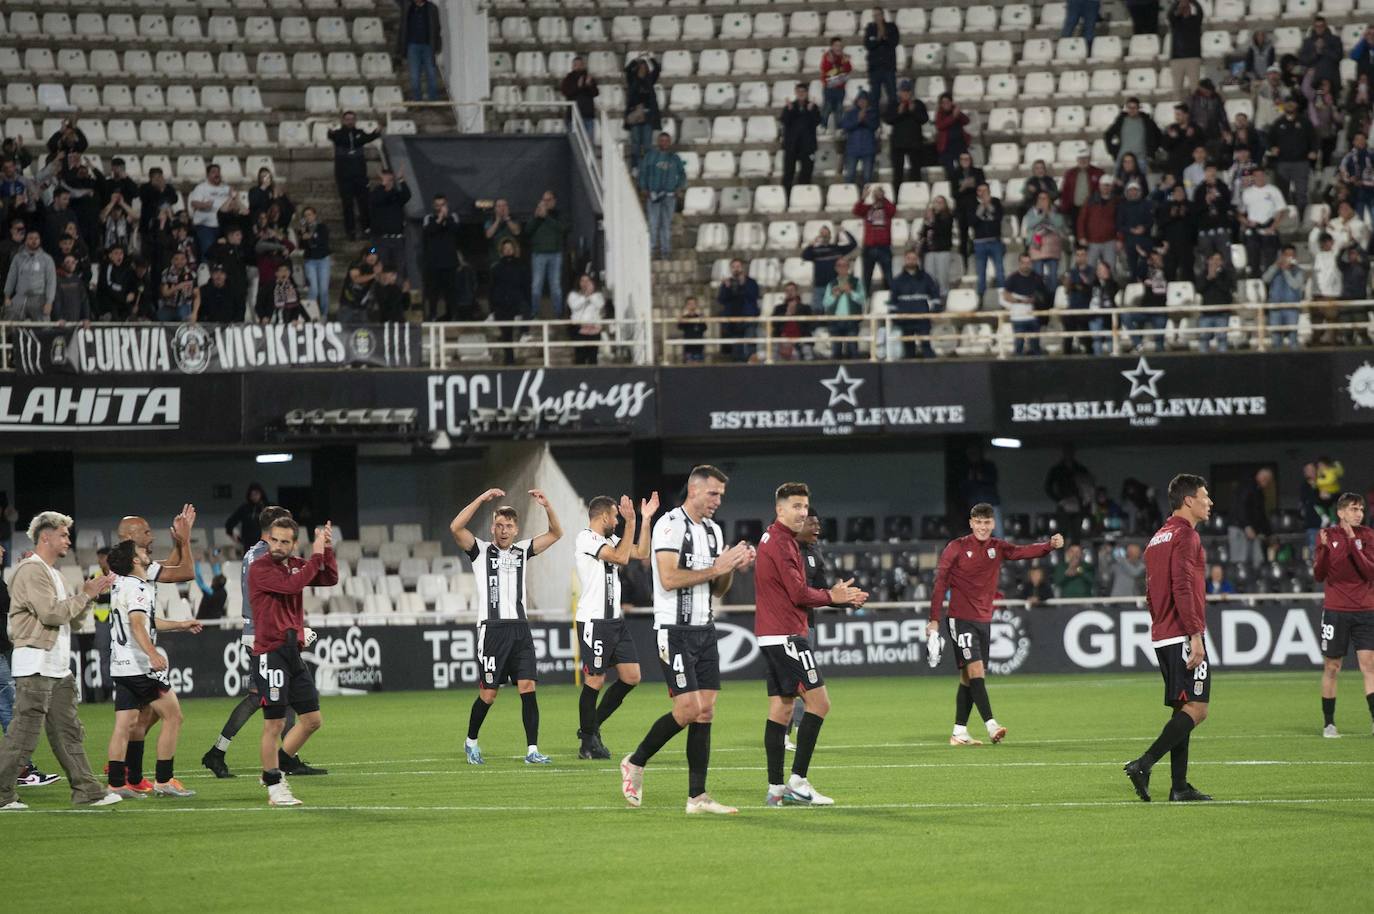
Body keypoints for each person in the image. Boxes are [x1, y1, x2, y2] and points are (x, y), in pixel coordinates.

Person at [619, 465, 755, 814]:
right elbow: (667, 578)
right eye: (713, 494)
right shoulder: (669, 525)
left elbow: (717, 587)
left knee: (706, 712)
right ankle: (635, 761)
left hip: (704, 630)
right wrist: (716, 566)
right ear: (694, 490)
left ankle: (697, 797)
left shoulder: (712, 530)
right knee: (688, 709)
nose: (718, 502)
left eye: (721, 496)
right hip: (674, 631)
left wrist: (731, 566)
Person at [0, 511, 120, 811]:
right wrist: (86, 595)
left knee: (68, 732)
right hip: (36, 663)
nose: (68, 539)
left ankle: (87, 791)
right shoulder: (31, 571)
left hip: (56, 666)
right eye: (63, 534)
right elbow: (51, 613)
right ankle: (2, 794)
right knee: (23, 734)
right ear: (46, 537)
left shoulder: (55, 574)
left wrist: (89, 597)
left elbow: (72, 621)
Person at [756, 483, 868, 807]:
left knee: (782, 709)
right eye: (796, 506)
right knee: (820, 704)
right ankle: (798, 782)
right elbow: (798, 594)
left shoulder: (775, 539)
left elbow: (796, 591)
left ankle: (776, 790)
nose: (803, 512)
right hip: (788, 636)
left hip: (773, 635)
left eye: (805, 506)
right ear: (780, 509)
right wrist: (833, 597)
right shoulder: (781, 544)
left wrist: (837, 598)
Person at [928, 504, 1064, 746]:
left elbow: (1023, 552)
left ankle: (959, 732)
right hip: (960, 619)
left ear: (992, 524)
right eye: (978, 522)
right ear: (971, 523)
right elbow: (940, 584)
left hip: (984, 619)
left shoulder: (997, 547)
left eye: (987, 523)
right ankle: (991, 725)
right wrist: (934, 620)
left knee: (968, 678)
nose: (982, 527)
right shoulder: (956, 547)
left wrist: (1049, 546)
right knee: (976, 671)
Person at [202, 506, 321, 780]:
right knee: (265, 698)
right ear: (272, 529)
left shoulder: (254, 554)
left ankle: (279, 757)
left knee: (274, 696)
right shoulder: (263, 558)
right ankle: (226, 754)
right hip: (264, 635)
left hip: (262, 631)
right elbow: (271, 599)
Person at [450, 488, 563, 767]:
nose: (503, 530)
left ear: (516, 530)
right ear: (492, 528)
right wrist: (480, 499)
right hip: (492, 630)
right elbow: (456, 527)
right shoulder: (479, 551)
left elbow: (556, 533)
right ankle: (471, 742)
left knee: (528, 686)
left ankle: (532, 750)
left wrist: (548, 506)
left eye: (509, 526)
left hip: (520, 629)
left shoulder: (523, 551)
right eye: (499, 525)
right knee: (489, 694)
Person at [1123, 473, 1214, 803]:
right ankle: (1144, 764)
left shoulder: (1157, 537)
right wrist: (1195, 635)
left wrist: (1161, 622)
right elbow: (1182, 586)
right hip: (1181, 634)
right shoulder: (1186, 536)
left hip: (1163, 634)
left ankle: (1179, 787)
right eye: (1205, 496)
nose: (1210, 502)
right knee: (1198, 709)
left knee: (1183, 710)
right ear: (1189, 500)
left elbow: (1150, 593)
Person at [103, 539, 202, 799]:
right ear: (134, 560)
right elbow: (138, 625)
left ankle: (115, 784)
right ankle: (164, 780)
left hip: (121, 666)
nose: (146, 552)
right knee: (174, 717)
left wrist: (180, 624)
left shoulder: (120, 585)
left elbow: (145, 621)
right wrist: (153, 653)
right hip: (141, 667)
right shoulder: (139, 587)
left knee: (124, 725)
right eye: (141, 551)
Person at [250, 517, 338, 807]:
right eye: (274, 539)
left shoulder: (296, 564)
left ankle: (274, 767)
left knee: (312, 720)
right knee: (274, 724)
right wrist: (314, 554)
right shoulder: (260, 568)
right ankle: (275, 787)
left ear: (293, 544)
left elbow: (328, 578)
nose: (277, 545)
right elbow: (292, 586)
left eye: (284, 541)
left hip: (291, 653)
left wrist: (326, 549)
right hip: (270, 652)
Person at [573, 492, 657, 759]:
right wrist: (631, 523)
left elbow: (641, 552)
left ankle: (591, 726)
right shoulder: (586, 538)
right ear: (603, 516)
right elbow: (620, 558)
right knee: (595, 680)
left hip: (614, 622)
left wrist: (644, 521)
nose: (618, 520)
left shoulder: (611, 540)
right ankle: (588, 743)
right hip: (594, 621)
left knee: (632, 676)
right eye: (616, 516)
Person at [1312, 492, 1374, 739]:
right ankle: (1329, 723)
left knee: (1368, 665)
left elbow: (1370, 572)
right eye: (1353, 509)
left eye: (1360, 509)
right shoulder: (1327, 535)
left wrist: (1353, 543)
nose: (1358, 513)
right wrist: (1325, 551)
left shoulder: (1368, 535)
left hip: (1366, 610)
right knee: (1332, 667)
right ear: (1340, 512)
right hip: (1336, 611)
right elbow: (1319, 574)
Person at [328, 113, 382, 241]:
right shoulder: (338, 134)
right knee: (347, 205)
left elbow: (368, 138)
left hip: (360, 176)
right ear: (343, 120)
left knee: (364, 204)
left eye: (352, 119)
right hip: (344, 177)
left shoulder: (360, 133)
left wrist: (377, 131)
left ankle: (366, 229)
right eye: (347, 119)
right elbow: (335, 137)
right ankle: (350, 231)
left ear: (355, 120)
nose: (350, 121)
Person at [638, 132, 686, 260]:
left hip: (669, 196)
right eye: (662, 140)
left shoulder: (675, 158)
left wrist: (679, 188)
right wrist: (643, 188)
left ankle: (666, 252)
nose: (664, 143)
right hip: (653, 195)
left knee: (666, 224)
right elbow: (642, 173)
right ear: (658, 142)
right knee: (653, 223)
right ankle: (652, 250)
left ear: (670, 142)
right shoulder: (650, 156)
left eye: (666, 140)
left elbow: (682, 174)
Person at [889, 248, 942, 359]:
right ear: (905, 260)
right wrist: (895, 317)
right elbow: (892, 301)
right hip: (905, 319)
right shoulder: (897, 280)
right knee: (908, 350)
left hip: (922, 318)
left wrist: (934, 310)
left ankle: (933, 371)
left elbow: (935, 295)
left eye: (914, 258)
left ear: (917, 260)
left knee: (926, 346)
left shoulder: (926, 278)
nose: (911, 261)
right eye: (909, 258)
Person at [421, 194, 463, 321]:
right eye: (437, 205)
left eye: (442, 205)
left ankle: (453, 315)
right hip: (434, 262)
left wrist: (446, 218)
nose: (440, 208)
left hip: (450, 262)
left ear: (447, 205)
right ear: (434, 206)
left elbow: (456, 230)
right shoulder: (429, 218)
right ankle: (433, 314)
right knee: (433, 291)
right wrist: (439, 219)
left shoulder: (453, 217)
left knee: (451, 291)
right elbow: (429, 231)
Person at [368, 167, 412, 284]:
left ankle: (397, 296)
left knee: (400, 268)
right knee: (380, 268)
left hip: (398, 241)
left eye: (391, 180)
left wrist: (401, 180)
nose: (388, 182)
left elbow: (407, 195)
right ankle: (381, 295)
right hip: (379, 240)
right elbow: (371, 247)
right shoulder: (376, 194)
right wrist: (372, 252)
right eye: (386, 179)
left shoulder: (396, 196)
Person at [527, 190, 567, 318]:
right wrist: (536, 217)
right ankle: (534, 312)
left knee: (555, 286)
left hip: (555, 254)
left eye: (549, 200)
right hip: (538, 254)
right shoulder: (537, 216)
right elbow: (527, 231)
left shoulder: (558, 214)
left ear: (554, 201)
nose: (546, 202)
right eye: (544, 200)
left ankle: (558, 313)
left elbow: (563, 229)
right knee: (536, 285)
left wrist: (546, 217)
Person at [1240, 169, 1286, 277]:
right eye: (1256, 176)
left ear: (1265, 176)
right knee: (1253, 260)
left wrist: (1273, 227)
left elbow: (1281, 210)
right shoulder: (1247, 193)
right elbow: (1240, 213)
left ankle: (1269, 285)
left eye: (1261, 175)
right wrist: (1247, 222)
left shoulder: (1273, 190)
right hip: (1253, 229)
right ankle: (1255, 281)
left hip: (1269, 228)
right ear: (1253, 177)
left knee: (1270, 260)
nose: (1259, 178)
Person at [802, 224, 858, 312]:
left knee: (833, 310)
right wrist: (811, 244)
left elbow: (853, 244)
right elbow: (804, 256)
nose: (824, 236)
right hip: (819, 286)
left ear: (830, 236)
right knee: (817, 311)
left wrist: (844, 232)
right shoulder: (815, 250)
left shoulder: (836, 249)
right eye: (822, 234)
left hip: (834, 286)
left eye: (826, 234)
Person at [1001, 253, 1049, 356]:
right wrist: (1021, 301)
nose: (1026, 265)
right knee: (1019, 345)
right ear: (1019, 263)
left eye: (1028, 262)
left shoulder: (1037, 277)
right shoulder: (1012, 278)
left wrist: (1035, 299)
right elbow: (1005, 296)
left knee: (1035, 345)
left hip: (1033, 315)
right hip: (1018, 316)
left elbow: (1043, 295)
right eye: (1024, 263)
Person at [3, 229, 55, 320]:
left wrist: (49, 302)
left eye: (36, 238)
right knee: (9, 323)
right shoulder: (18, 258)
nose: (34, 241)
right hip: (20, 296)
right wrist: (7, 296)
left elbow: (51, 282)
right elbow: (11, 277)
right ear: (26, 240)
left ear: (40, 240)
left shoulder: (47, 259)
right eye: (31, 238)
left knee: (44, 328)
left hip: (39, 298)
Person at [884, 81, 928, 188]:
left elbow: (924, 119)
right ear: (899, 92)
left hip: (914, 143)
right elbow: (888, 119)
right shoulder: (894, 104)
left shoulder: (918, 104)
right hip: (898, 144)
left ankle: (916, 193)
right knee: (898, 173)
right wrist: (898, 112)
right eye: (903, 91)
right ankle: (897, 195)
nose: (905, 94)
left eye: (907, 91)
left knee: (916, 172)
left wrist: (914, 111)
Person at [780, 83, 821, 198]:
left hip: (807, 147)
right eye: (799, 92)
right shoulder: (790, 106)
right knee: (788, 174)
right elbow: (785, 121)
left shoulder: (813, 106)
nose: (801, 94)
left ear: (807, 93)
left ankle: (803, 198)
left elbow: (817, 122)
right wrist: (789, 110)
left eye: (803, 92)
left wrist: (810, 111)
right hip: (791, 146)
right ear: (796, 93)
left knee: (806, 173)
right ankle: (786, 198)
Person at [490, 238, 527, 363]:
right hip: (501, 305)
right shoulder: (496, 268)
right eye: (505, 249)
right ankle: (509, 359)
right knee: (506, 334)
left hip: (516, 304)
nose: (508, 251)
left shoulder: (521, 266)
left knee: (515, 332)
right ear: (501, 251)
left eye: (510, 248)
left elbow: (525, 287)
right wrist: (493, 308)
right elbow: (492, 288)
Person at [1228, 467, 1273, 569]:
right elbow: (1240, 507)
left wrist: (1269, 534)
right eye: (1268, 481)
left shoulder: (1259, 491)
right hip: (1239, 528)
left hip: (1253, 531)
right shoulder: (1247, 486)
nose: (1268, 484)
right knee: (1240, 562)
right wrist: (1247, 526)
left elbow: (1261, 514)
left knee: (1257, 560)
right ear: (1263, 478)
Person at [854, 184, 895, 293]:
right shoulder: (868, 209)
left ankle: (891, 299)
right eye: (875, 194)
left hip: (884, 247)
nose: (877, 196)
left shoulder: (887, 209)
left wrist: (883, 199)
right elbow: (856, 211)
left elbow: (893, 211)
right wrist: (863, 198)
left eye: (879, 193)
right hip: (869, 247)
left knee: (888, 277)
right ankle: (864, 301)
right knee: (866, 278)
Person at [717, 258, 761, 363]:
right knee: (737, 349)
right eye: (733, 267)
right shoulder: (727, 283)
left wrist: (743, 285)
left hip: (748, 319)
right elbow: (722, 300)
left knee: (750, 345)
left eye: (738, 266)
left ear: (743, 268)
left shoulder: (751, 282)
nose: (736, 269)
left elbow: (753, 296)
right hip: (734, 321)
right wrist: (727, 288)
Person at [398, 0, 442, 102]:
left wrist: (437, 46)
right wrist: (401, 47)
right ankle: (417, 101)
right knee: (414, 76)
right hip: (412, 46)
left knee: (431, 74)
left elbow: (437, 28)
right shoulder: (408, 7)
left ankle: (433, 101)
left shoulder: (432, 8)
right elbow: (403, 27)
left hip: (428, 46)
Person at [822, 256, 865, 359]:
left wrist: (850, 292)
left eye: (844, 265)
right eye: (839, 266)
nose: (842, 268)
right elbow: (825, 303)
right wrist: (834, 296)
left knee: (853, 350)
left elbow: (862, 299)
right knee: (836, 350)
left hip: (851, 320)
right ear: (836, 268)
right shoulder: (831, 284)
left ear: (848, 267)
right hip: (835, 321)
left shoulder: (856, 282)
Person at [624, 55, 662, 171]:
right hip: (635, 114)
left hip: (648, 115)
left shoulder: (650, 80)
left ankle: (647, 167)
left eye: (644, 67)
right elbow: (627, 70)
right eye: (640, 67)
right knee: (635, 144)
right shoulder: (632, 79)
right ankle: (635, 166)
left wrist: (650, 58)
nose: (642, 69)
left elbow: (657, 69)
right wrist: (636, 60)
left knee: (647, 145)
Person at [1262, 244, 1305, 349]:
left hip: (1292, 308)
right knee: (1276, 340)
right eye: (1287, 255)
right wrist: (1276, 266)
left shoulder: (1298, 271)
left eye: (1292, 255)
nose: (1289, 258)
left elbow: (1295, 285)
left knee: (1293, 338)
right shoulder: (1275, 269)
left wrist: (1286, 271)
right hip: (1275, 307)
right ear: (1282, 256)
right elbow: (1265, 279)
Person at [1023, 191, 1068, 288]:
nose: (1043, 201)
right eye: (1040, 198)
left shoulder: (1056, 211)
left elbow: (1059, 223)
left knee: (1053, 276)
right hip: (1037, 247)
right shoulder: (1031, 212)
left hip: (1053, 248)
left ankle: (1052, 298)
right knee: (1038, 275)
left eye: (1045, 198)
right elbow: (1030, 224)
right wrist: (1042, 214)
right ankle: (1040, 297)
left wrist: (1049, 213)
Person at [186, 164, 231, 258]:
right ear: (208, 175)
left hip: (223, 225)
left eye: (218, 172)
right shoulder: (201, 187)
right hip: (205, 226)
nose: (217, 174)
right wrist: (205, 205)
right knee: (208, 252)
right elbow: (194, 203)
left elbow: (233, 202)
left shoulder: (226, 188)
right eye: (214, 172)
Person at [971, 183, 1006, 299]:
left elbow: (999, 217)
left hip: (995, 241)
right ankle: (980, 297)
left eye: (985, 190)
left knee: (1000, 271)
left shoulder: (996, 202)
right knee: (981, 273)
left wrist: (989, 205)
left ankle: (1002, 296)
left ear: (989, 191)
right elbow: (972, 222)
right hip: (979, 242)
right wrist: (981, 207)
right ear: (977, 192)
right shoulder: (973, 204)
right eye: (980, 190)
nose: (983, 193)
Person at [1196, 252, 1235, 352]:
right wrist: (1208, 278)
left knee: (1222, 339)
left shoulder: (1226, 274)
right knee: (1203, 339)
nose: (1215, 262)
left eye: (1218, 259)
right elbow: (1199, 289)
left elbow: (1227, 288)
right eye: (1213, 259)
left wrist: (1216, 277)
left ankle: (1223, 363)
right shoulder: (1203, 274)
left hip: (1222, 313)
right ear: (1208, 261)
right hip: (1206, 313)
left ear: (1222, 262)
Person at [863, 8, 900, 111]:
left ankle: (893, 119)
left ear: (883, 15)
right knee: (874, 98)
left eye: (878, 15)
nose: (876, 17)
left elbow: (894, 42)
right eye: (874, 15)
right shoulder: (870, 28)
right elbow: (868, 44)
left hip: (888, 67)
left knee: (892, 96)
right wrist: (878, 39)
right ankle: (874, 123)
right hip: (875, 68)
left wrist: (884, 37)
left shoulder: (891, 27)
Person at [840, 92, 879, 188]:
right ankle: (849, 197)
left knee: (867, 177)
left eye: (864, 100)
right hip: (852, 149)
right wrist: (857, 120)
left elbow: (874, 126)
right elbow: (845, 126)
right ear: (857, 101)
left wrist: (865, 119)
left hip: (868, 149)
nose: (862, 102)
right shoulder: (850, 113)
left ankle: (866, 199)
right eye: (860, 100)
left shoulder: (873, 113)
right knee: (849, 176)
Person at [920, 197, 958, 294]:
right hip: (929, 250)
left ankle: (943, 295)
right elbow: (924, 233)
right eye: (936, 202)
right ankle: (932, 296)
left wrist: (932, 220)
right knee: (930, 276)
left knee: (942, 276)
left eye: (940, 202)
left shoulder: (948, 216)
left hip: (942, 250)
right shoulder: (930, 217)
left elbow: (943, 231)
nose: (937, 204)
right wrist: (927, 222)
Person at [298, 208, 331, 318]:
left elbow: (323, 241)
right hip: (310, 260)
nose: (308, 217)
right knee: (313, 289)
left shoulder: (322, 227)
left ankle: (323, 314)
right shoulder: (303, 229)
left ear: (315, 215)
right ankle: (311, 315)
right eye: (305, 215)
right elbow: (302, 246)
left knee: (323, 289)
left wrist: (311, 236)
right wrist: (303, 235)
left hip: (323, 260)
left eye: (310, 214)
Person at [770, 282, 816, 361]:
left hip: (801, 339)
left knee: (807, 352)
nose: (790, 293)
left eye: (792, 290)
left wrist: (797, 313)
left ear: (796, 292)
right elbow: (774, 324)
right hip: (783, 339)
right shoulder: (779, 308)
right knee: (773, 354)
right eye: (787, 291)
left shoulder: (805, 308)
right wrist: (786, 314)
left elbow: (812, 325)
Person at [566, 273, 605, 365]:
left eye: (587, 281)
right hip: (579, 329)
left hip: (594, 330)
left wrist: (590, 295)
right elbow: (574, 306)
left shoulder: (597, 295)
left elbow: (600, 305)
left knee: (593, 358)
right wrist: (585, 296)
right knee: (580, 357)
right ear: (579, 283)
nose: (585, 283)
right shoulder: (573, 295)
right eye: (582, 281)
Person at [1168, 1, 1204, 95]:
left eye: (1186, 7)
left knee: (1195, 88)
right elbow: (1170, 14)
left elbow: (1200, 11)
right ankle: (1178, 108)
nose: (1185, 9)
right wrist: (1178, 2)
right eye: (1183, 8)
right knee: (1177, 89)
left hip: (1193, 57)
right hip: (1176, 58)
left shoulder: (1195, 20)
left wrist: (1191, 1)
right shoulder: (1175, 21)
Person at [560, 56, 599, 139]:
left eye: (580, 65)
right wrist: (578, 87)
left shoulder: (589, 78)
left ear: (583, 65)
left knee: (588, 143)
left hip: (587, 116)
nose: (578, 67)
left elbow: (595, 93)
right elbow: (565, 92)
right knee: (574, 143)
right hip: (573, 116)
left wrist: (589, 85)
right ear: (572, 66)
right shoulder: (568, 78)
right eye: (576, 65)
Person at [934, 94, 971, 181]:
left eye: (947, 102)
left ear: (951, 102)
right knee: (950, 170)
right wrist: (953, 116)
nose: (946, 104)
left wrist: (958, 112)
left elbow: (966, 121)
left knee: (966, 169)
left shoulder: (956, 112)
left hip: (960, 145)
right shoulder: (940, 113)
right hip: (947, 147)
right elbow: (940, 125)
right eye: (943, 103)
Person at [819, 38, 852, 132]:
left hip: (840, 88)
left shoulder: (844, 57)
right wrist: (839, 69)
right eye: (836, 45)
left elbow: (848, 70)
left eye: (840, 46)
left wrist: (844, 64)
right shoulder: (827, 56)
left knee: (839, 108)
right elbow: (827, 72)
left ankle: (839, 127)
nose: (838, 48)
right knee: (827, 107)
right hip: (829, 87)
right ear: (832, 46)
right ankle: (823, 126)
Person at [225, 483, 268, 554]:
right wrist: (231, 533)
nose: (254, 497)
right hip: (248, 543)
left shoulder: (267, 507)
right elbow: (230, 522)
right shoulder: (244, 508)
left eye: (256, 494)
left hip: (266, 542)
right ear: (249, 496)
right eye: (252, 495)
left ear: (261, 494)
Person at [157, 250, 199, 323]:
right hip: (169, 305)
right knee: (159, 319)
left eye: (182, 259)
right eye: (176, 259)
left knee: (186, 320)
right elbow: (164, 293)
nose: (180, 262)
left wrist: (195, 313)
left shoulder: (192, 274)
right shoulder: (166, 273)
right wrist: (177, 287)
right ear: (172, 260)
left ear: (186, 260)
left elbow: (197, 296)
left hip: (184, 305)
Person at [483, 198, 522, 267]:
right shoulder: (490, 221)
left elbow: (517, 232)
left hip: (513, 259)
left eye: (504, 205)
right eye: (499, 206)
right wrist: (497, 221)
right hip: (496, 259)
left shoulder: (514, 219)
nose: (502, 208)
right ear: (495, 209)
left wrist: (507, 219)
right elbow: (488, 235)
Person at [678, 296, 707, 363]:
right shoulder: (684, 317)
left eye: (693, 303)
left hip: (698, 345)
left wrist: (702, 320)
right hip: (688, 345)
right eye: (689, 304)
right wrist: (681, 319)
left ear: (696, 305)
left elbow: (704, 328)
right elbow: (680, 327)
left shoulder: (699, 317)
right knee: (688, 365)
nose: (692, 305)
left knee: (698, 365)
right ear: (686, 305)